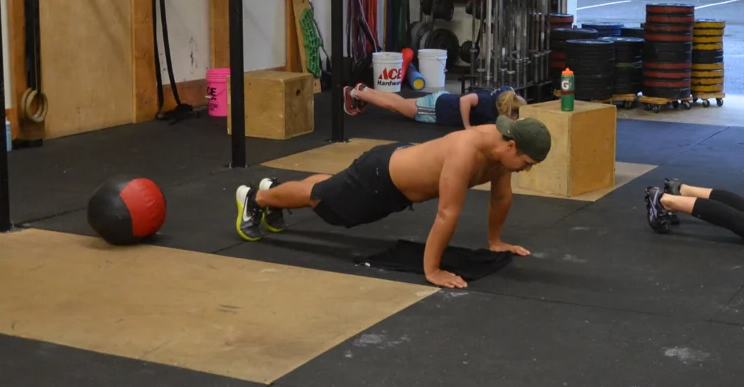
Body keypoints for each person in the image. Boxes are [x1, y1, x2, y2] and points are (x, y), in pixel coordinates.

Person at [234, 116, 552, 289]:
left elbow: (501, 196)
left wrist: (495, 241)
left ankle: (274, 191)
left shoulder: (501, 155)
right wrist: (432, 270)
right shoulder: (466, 152)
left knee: (330, 190)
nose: (527, 169)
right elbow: (446, 213)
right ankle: (256, 197)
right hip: (379, 178)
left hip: (393, 174)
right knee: (327, 205)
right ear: (512, 145)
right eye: (527, 162)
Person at [345, 82, 524, 131]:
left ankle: (366, 90)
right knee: (395, 106)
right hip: (436, 109)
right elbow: (465, 101)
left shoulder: (507, 93)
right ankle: (354, 94)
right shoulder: (486, 103)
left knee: (399, 102)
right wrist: (467, 126)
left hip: (442, 100)